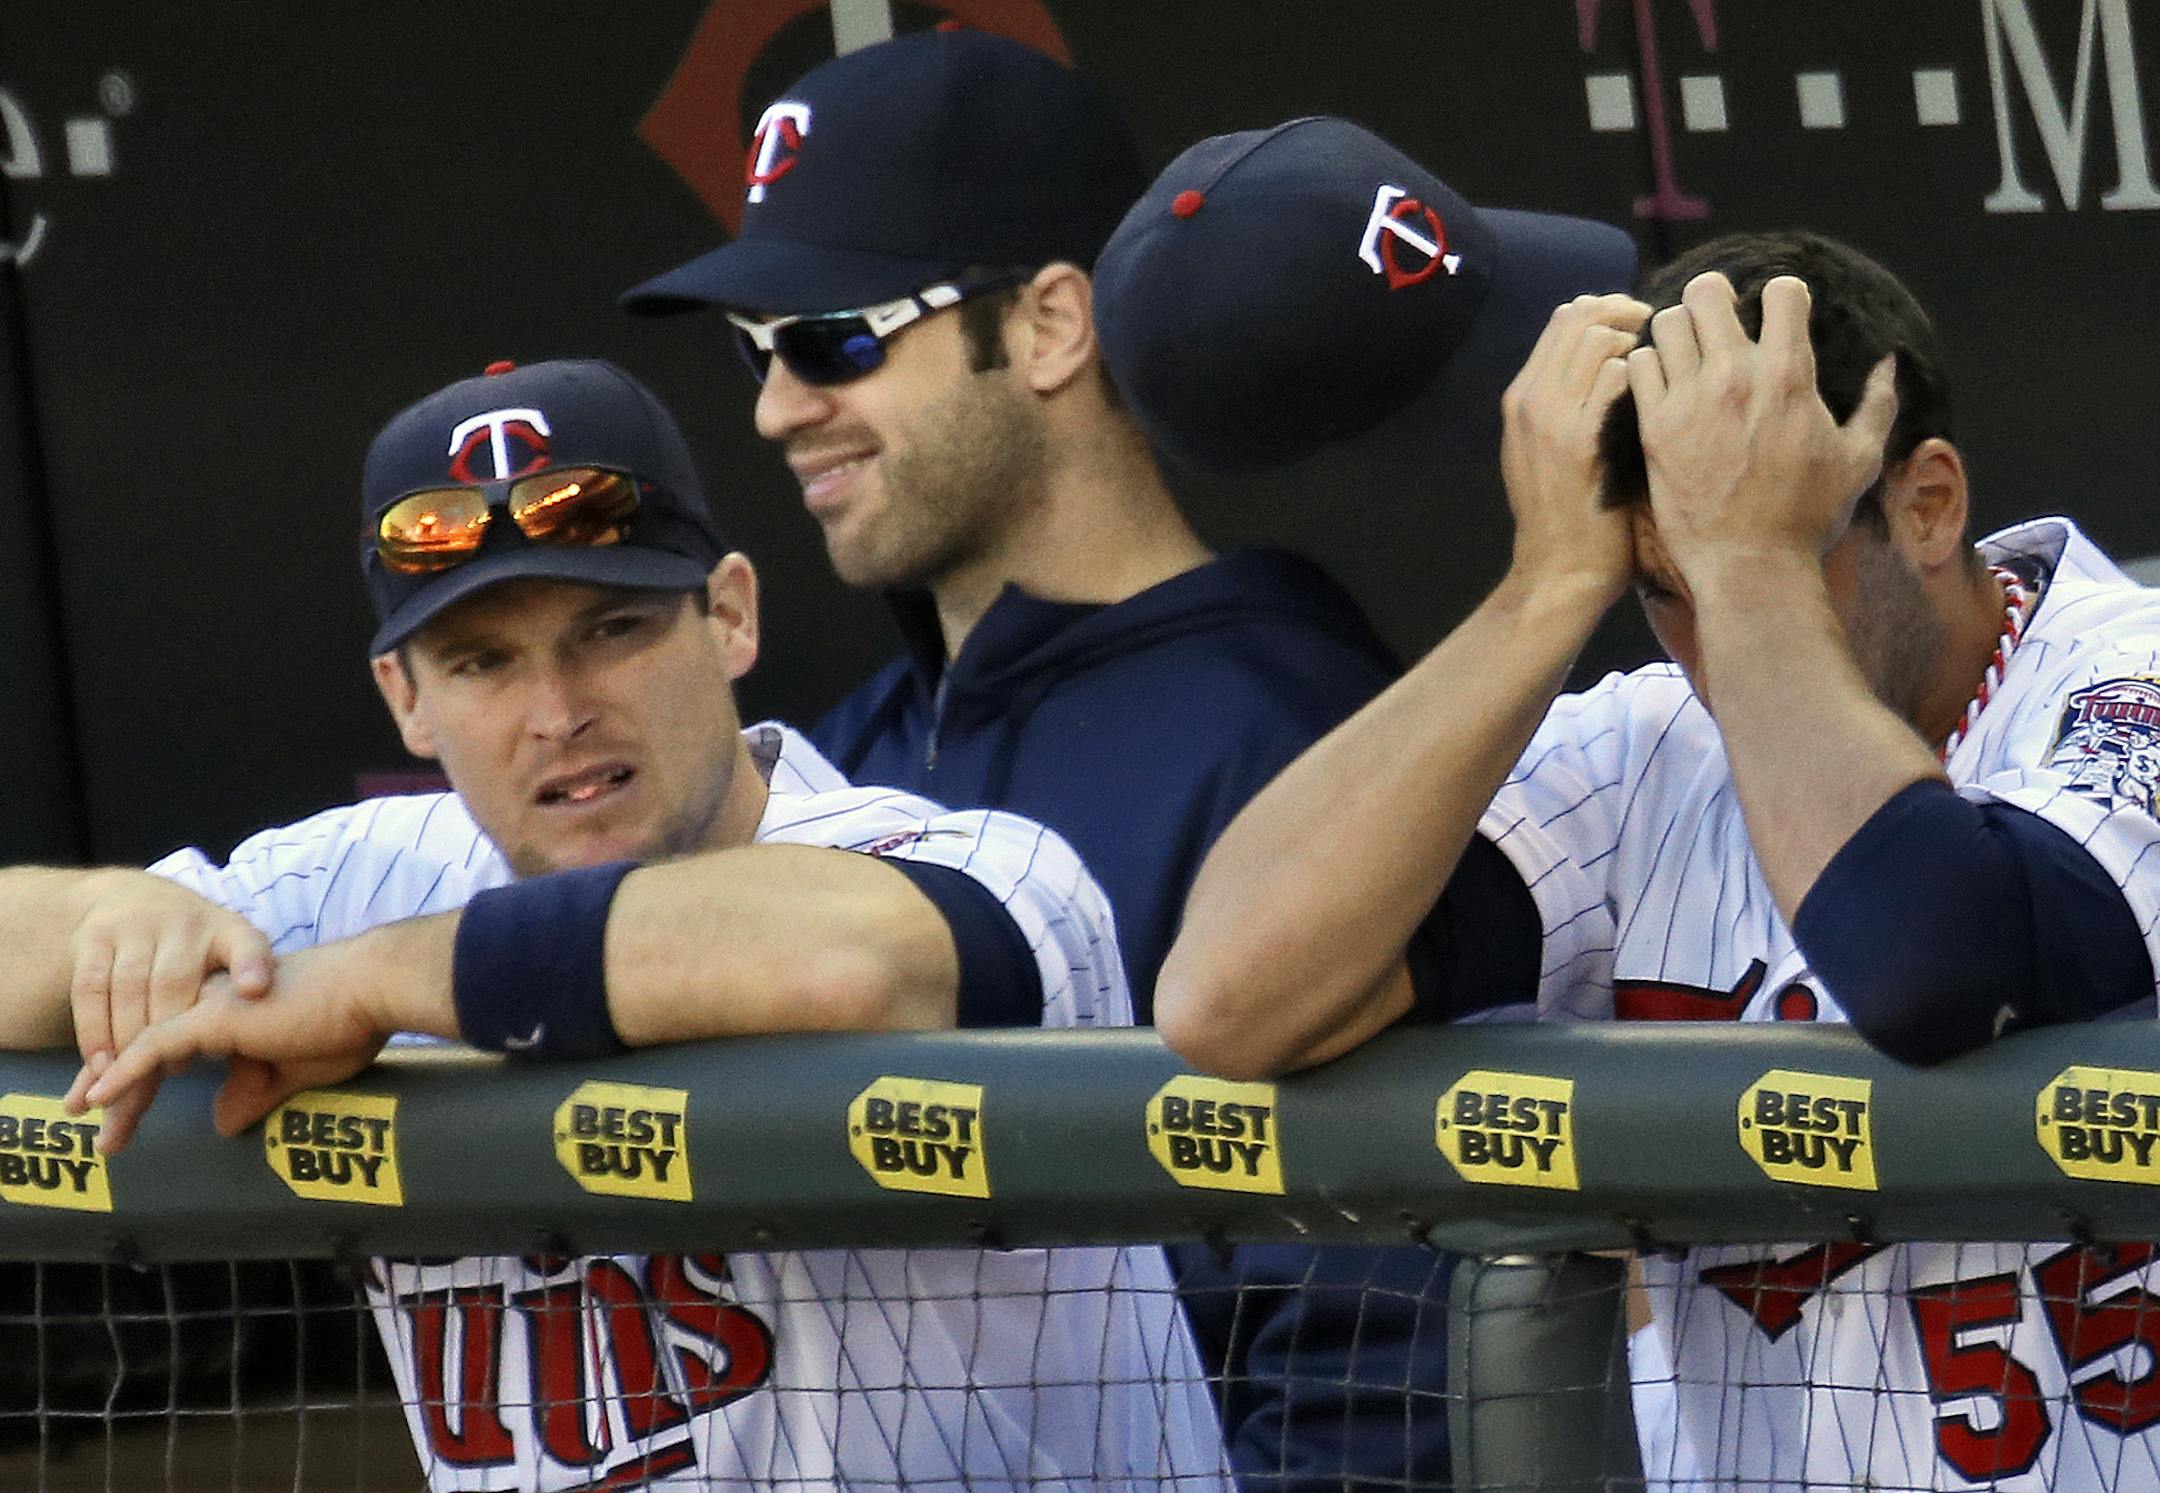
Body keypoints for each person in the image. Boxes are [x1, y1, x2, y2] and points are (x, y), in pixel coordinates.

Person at [622, 33, 1640, 1488]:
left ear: (1048, 325)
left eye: (835, 337)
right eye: (754, 351)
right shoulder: (831, 760)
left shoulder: (1291, 731)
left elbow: (1374, 1353)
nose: (778, 404)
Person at [0, 357, 1231, 1492]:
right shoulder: (350, 882)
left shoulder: (962, 862)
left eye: (615, 629)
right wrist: (110, 911)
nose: (559, 709)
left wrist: (384, 983)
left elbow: (842, 960)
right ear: (406, 701)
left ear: (731, 616)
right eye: (482, 663)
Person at [1156, 226, 2160, 1489]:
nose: (1707, 640)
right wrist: (1543, 588)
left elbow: (1936, 956)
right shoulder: (1640, 753)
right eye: (1662, 587)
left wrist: (1743, 564)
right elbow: (1227, 996)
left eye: (1780, 551)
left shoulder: (2124, 672)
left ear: (1928, 502)